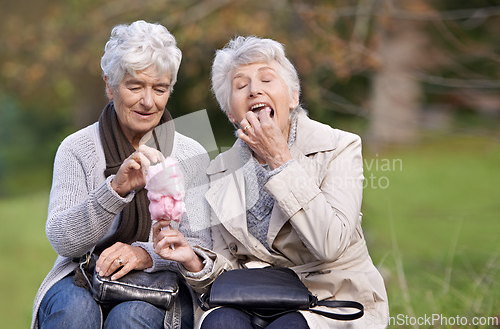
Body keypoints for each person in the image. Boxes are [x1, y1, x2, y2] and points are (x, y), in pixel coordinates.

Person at [153, 36, 389, 328]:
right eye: (241, 86)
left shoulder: (339, 147)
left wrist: (280, 162)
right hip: (253, 298)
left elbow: (331, 245)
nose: (254, 90)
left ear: (292, 98)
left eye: (267, 79)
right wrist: (194, 261)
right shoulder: (215, 172)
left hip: (330, 297)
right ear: (231, 113)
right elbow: (225, 273)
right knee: (219, 322)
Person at [31, 20, 212, 329]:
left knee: (130, 318)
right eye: (135, 86)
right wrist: (115, 190)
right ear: (109, 85)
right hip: (82, 273)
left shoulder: (190, 153)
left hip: (161, 281)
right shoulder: (76, 148)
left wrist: (145, 255)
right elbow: (63, 241)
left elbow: (203, 246)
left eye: (160, 88)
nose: (148, 101)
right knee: (74, 315)